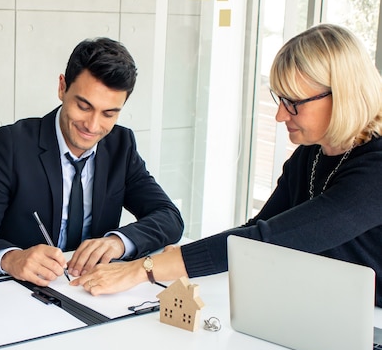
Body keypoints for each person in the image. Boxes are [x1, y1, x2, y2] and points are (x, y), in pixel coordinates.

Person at [70, 24, 382, 307]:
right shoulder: (309, 157)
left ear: (341, 95)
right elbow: (255, 229)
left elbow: (268, 240)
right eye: (280, 100)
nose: (280, 116)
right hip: (327, 311)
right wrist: (178, 259)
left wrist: (144, 269)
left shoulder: (375, 169)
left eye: (293, 104)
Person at [0, 37, 184, 286]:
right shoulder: (12, 144)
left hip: (90, 289)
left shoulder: (121, 145)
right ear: (62, 87)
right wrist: (12, 258)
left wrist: (118, 242)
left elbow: (169, 217)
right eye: (84, 106)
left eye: (109, 113)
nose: (93, 126)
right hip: (22, 292)